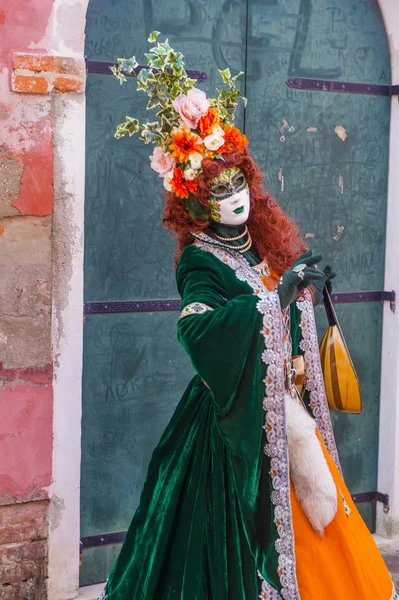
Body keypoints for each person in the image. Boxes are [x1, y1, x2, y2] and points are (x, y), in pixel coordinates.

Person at [99, 33, 397, 600]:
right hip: (232, 415)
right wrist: (275, 298)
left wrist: (303, 288)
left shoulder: (259, 243)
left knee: (318, 500)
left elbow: (282, 302)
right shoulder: (198, 260)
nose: (233, 197)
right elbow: (198, 329)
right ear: (195, 201)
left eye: (238, 183)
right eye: (218, 190)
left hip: (285, 396)